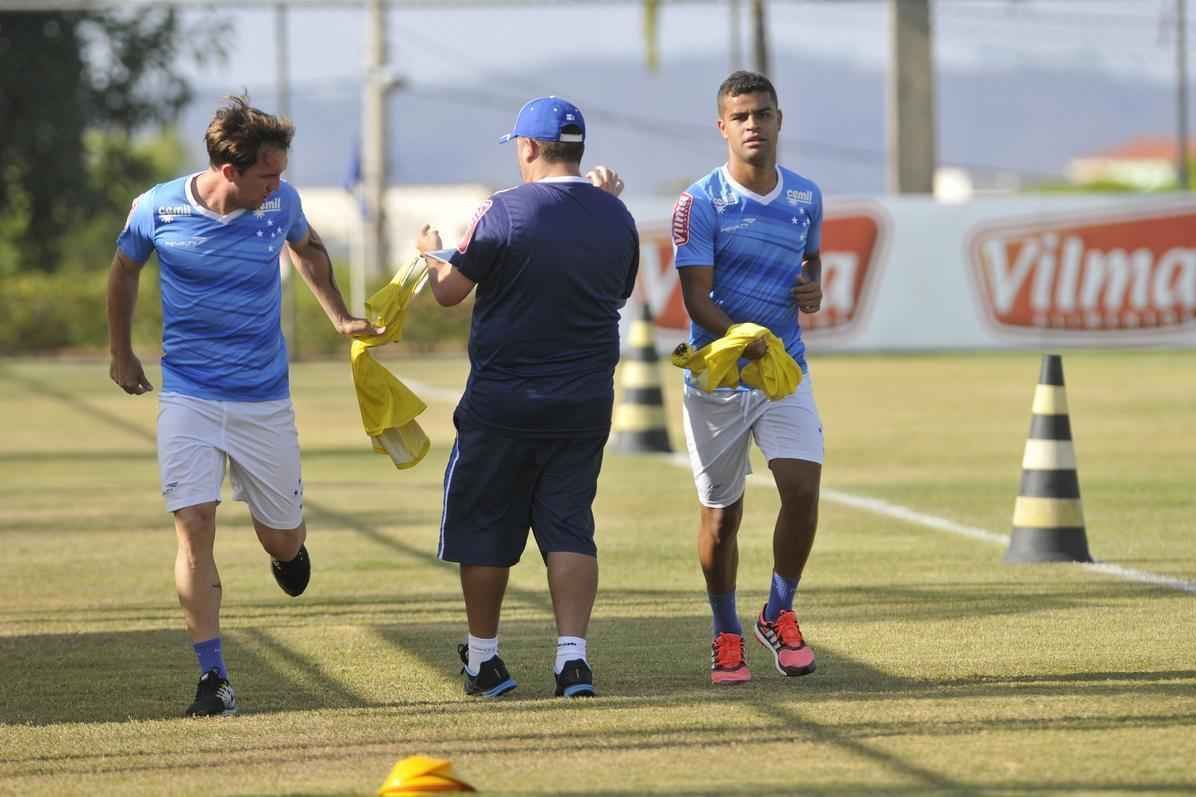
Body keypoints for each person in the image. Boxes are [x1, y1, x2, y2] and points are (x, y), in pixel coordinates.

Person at [106, 96, 381, 717]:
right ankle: (214, 678)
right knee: (194, 524)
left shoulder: (281, 205)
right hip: (188, 396)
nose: (279, 185)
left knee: (280, 539)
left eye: (281, 172)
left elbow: (307, 248)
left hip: (263, 401)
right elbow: (124, 270)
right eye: (268, 174)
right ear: (230, 171)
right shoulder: (159, 207)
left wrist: (338, 315)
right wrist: (121, 353)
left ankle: (288, 550)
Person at [416, 96, 638, 699]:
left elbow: (449, 293)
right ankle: (572, 660)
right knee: (570, 526)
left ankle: (485, 660)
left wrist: (429, 254)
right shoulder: (616, 215)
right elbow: (618, 289)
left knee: (486, 525)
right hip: (585, 400)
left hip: (504, 401)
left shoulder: (503, 209)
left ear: (530, 148)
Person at [671, 71, 826, 685]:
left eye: (762, 114)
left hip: (784, 370)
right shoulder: (700, 202)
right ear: (722, 127)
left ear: (779, 120)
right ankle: (725, 631)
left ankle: (778, 612)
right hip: (719, 379)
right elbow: (695, 297)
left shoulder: (807, 196)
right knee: (721, 518)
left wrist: (813, 290)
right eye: (740, 117)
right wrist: (745, 336)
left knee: (804, 491)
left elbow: (809, 264)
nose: (753, 125)